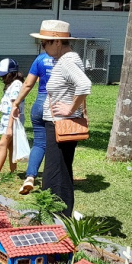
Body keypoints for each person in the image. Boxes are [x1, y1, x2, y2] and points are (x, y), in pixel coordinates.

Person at [31, 19, 91, 218]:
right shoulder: (65, 60)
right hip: (58, 124)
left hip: (61, 124)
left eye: (44, 42)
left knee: (55, 174)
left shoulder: (67, 61)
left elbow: (84, 85)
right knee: (58, 171)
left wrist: (69, 109)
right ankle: (56, 215)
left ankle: (56, 216)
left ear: (57, 42)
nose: (42, 47)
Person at [11, 49, 55, 195]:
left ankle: (30, 177)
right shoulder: (66, 59)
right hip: (56, 106)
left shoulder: (40, 59)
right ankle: (53, 181)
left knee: (39, 143)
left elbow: (28, 84)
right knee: (57, 145)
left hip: (39, 104)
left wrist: (16, 104)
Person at [0, 58, 29, 178]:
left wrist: (10, 127)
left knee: (2, 144)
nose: (2, 78)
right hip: (9, 118)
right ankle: (13, 172)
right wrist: (1, 107)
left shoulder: (16, 85)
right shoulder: (13, 84)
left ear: (11, 73)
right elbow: (9, 105)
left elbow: (15, 107)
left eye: (4, 75)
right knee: (11, 146)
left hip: (12, 120)